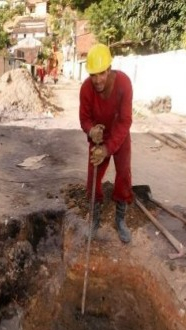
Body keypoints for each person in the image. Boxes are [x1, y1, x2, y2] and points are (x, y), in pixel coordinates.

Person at [79, 43, 133, 243]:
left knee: (124, 174)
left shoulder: (124, 84)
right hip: (98, 136)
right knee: (93, 178)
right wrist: (91, 130)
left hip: (119, 133)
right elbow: (84, 118)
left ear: (109, 69)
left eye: (101, 74)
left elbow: (126, 120)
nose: (97, 80)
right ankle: (95, 218)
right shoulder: (86, 89)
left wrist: (108, 149)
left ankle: (120, 220)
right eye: (93, 75)